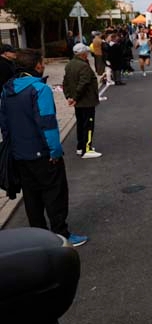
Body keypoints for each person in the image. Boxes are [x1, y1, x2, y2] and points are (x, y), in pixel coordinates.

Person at [0, 49, 88, 247]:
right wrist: (54, 150)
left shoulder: (7, 88)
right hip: (43, 153)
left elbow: (4, 124)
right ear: (37, 65)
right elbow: (47, 123)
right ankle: (61, 234)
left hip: (20, 153)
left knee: (31, 197)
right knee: (55, 194)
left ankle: (38, 237)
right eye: (42, 62)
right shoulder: (39, 89)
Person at [63, 43, 102, 159]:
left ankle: (81, 146)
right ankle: (87, 149)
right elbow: (83, 84)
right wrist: (75, 97)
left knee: (80, 124)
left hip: (78, 101)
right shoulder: (84, 66)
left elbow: (66, 82)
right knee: (88, 125)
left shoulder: (69, 65)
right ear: (83, 54)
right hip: (86, 100)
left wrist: (69, 96)